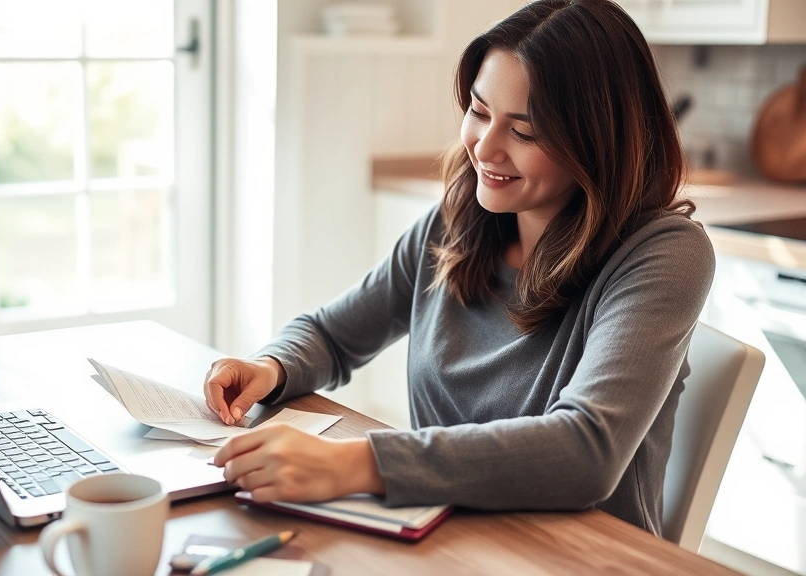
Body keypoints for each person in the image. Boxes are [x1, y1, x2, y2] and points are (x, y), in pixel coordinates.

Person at [202, 0, 715, 536]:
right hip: (445, 534)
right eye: (479, 110)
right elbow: (332, 335)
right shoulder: (455, 222)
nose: (484, 147)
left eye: (525, 131)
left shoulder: (664, 254)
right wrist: (272, 367)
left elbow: (586, 451)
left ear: (598, 140)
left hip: (579, 555)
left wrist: (353, 463)